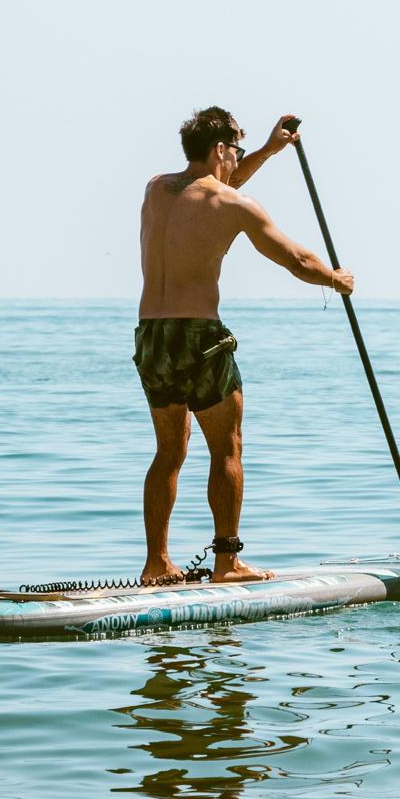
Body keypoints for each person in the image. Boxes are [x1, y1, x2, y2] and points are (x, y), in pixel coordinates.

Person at [134, 106, 354, 585]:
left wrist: (268, 152)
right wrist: (334, 279)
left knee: (168, 453)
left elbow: (213, 186)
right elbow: (295, 258)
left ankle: (156, 563)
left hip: (151, 335)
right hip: (200, 338)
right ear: (220, 149)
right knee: (226, 449)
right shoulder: (236, 205)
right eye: (234, 150)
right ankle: (228, 562)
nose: (237, 159)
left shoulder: (156, 189)